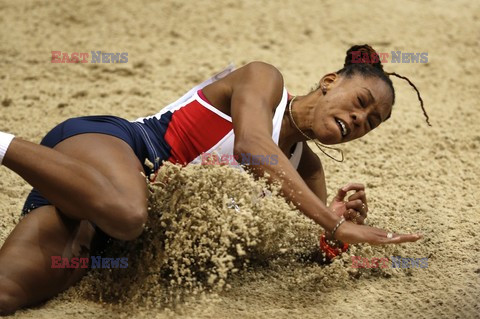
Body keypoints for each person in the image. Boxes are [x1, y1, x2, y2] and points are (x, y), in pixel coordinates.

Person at [0, 44, 428, 315]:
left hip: (95, 217)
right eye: (361, 103)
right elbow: (252, 148)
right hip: (113, 147)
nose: (360, 120)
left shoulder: (308, 169)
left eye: (372, 122)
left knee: (8, 293)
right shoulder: (266, 79)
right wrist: (332, 221)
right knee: (131, 212)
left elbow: (297, 255)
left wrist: (334, 237)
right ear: (330, 82)